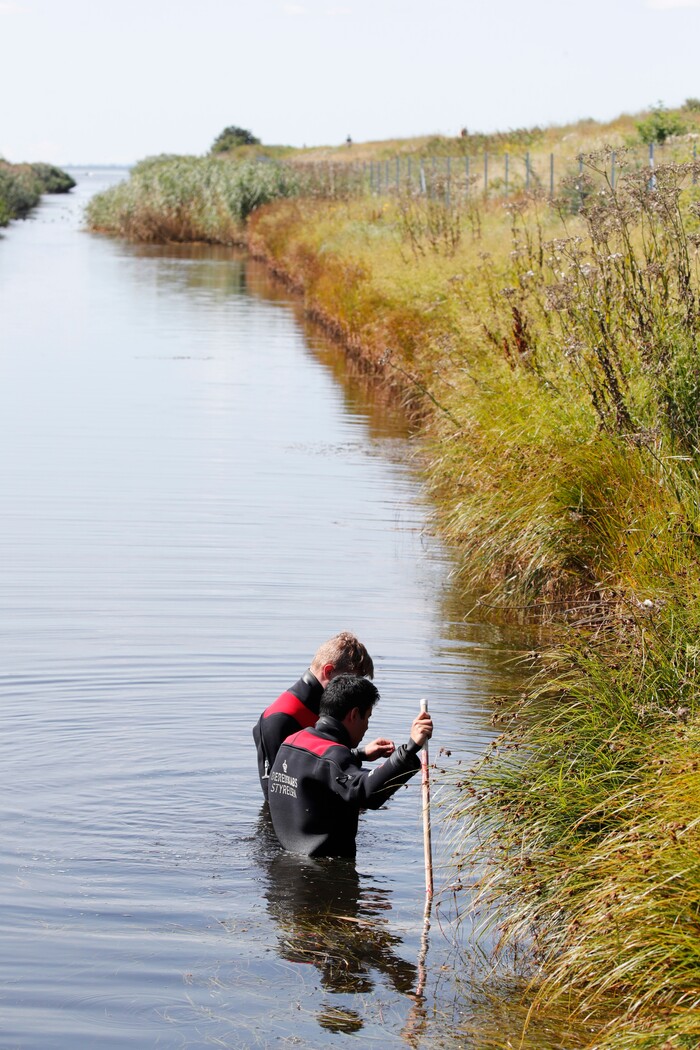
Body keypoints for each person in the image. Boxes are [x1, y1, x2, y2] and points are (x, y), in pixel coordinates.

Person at [267, 674, 433, 858]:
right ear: (354, 714)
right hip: (324, 874)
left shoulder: (292, 741)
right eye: (367, 717)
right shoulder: (335, 756)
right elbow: (366, 792)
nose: (367, 727)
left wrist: (359, 754)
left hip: (287, 867)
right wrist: (410, 749)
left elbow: (319, 766)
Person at [252, 632, 393, 799]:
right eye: (351, 680)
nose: (356, 689)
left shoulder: (325, 709)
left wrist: (360, 754)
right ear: (329, 671)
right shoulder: (280, 718)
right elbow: (279, 793)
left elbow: (316, 765)